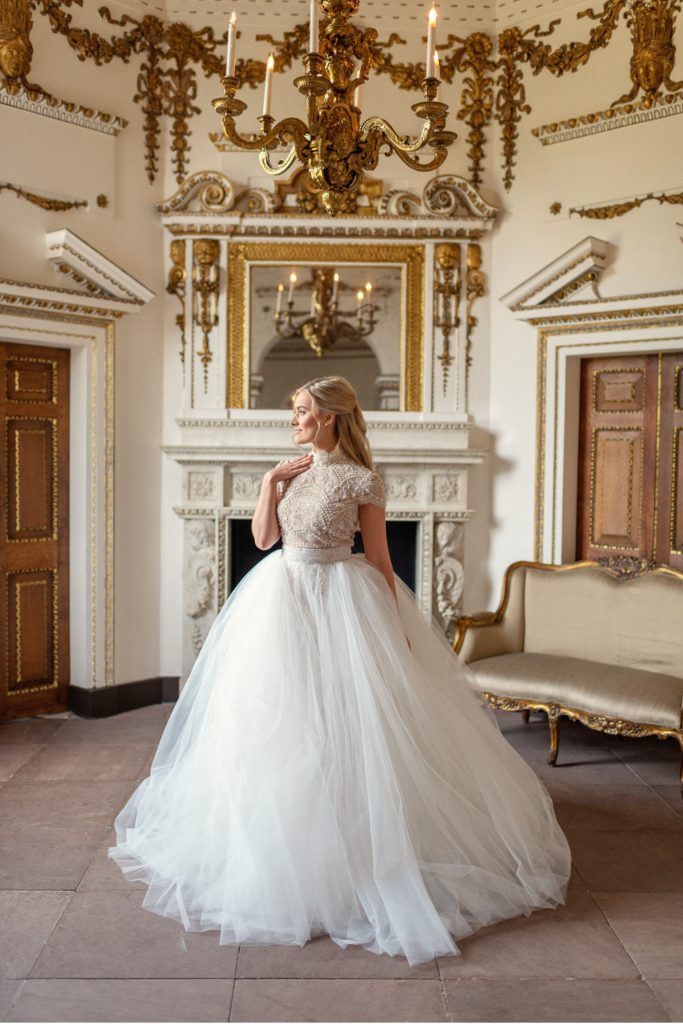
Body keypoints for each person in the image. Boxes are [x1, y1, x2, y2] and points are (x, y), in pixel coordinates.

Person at [108, 375, 571, 967]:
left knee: (348, 721)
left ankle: (360, 847)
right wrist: (271, 482)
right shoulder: (290, 470)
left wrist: (397, 627)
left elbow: (379, 558)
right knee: (282, 718)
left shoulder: (362, 479)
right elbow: (263, 538)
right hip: (281, 595)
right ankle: (286, 849)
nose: (293, 419)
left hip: (342, 599)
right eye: (294, 410)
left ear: (329, 417)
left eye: (301, 410)